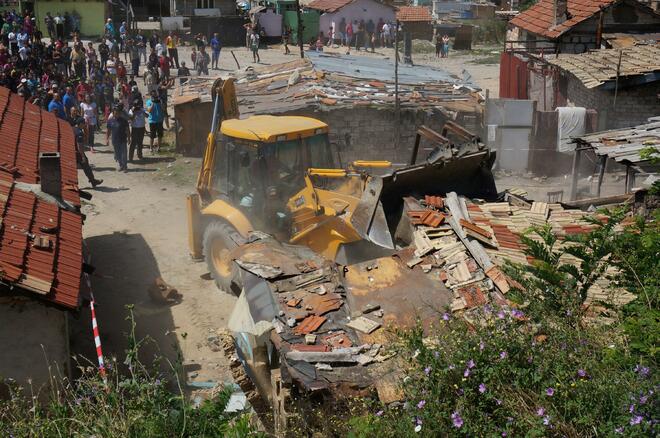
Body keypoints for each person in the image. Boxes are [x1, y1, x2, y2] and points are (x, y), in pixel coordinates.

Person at [72, 118, 103, 187]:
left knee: (73, 169)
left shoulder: (72, 129)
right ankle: (93, 181)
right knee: (85, 164)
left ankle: (92, 181)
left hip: (70, 152)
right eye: (84, 124)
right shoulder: (79, 132)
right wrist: (82, 156)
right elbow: (79, 146)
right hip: (77, 153)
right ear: (80, 124)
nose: (85, 125)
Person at [106, 103, 130, 171]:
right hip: (115, 140)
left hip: (123, 139)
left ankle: (125, 166)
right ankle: (121, 165)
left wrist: (129, 138)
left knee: (124, 154)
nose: (116, 114)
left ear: (120, 113)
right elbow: (108, 131)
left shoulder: (124, 120)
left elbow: (127, 130)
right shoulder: (110, 121)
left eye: (118, 113)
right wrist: (107, 139)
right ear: (113, 113)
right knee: (117, 154)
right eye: (115, 113)